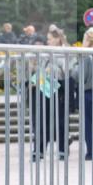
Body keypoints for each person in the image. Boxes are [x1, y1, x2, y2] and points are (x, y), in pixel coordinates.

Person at [30, 28, 71, 161]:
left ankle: (62, 150)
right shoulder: (46, 53)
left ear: (57, 39)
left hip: (59, 89)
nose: (47, 41)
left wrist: (52, 69)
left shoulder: (65, 52)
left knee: (60, 122)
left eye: (49, 39)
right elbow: (41, 69)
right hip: (45, 88)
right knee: (42, 120)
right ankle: (39, 150)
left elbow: (67, 71)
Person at [76, 28, 93, 160]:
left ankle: (92, 151)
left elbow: (79, 75)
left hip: (88, 92)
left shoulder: (86, 56)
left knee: (89, 124)